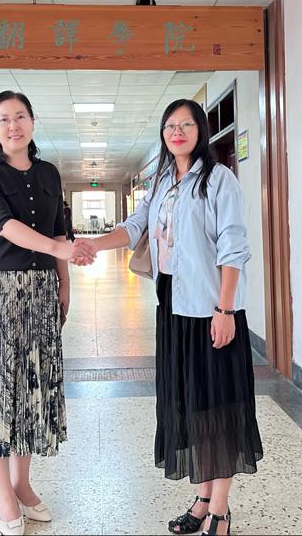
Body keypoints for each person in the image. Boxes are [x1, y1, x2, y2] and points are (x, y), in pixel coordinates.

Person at [74, 99, 263, 536]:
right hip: (173, 308)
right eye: (170, 126)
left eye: (186, 124)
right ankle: (202, 497)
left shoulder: (219, 180)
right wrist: (90, 245)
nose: (177, 132)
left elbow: (233, 246)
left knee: (218, 405)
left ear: (201, 131)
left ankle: (220, 509)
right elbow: (134, 227)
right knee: (191, 403)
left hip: (210, 309)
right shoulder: (162, 180)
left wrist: (226, 309)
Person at [0, 90, 95, 536]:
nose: (13, 126)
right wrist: (59, 250)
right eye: (3, 119)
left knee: (31, 385)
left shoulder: (49, 173)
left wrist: (64, 281)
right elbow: (4, 225)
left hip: (40, 291)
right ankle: (2, 491)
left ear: (32, 122)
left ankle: (22, 483)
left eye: (20, 117)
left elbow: (58, 227)